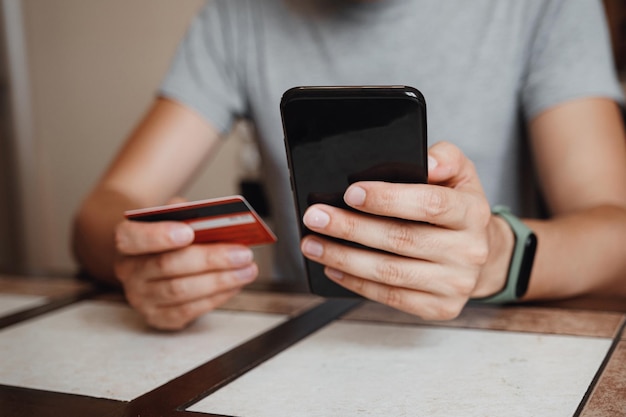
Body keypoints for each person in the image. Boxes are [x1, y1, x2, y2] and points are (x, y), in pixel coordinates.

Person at [72, 0, 626, 330]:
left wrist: (499, 257)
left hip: (489, 341)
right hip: (304, 341)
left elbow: (616, 232)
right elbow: (103, 211)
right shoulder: (238, 13)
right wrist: (137, 260)